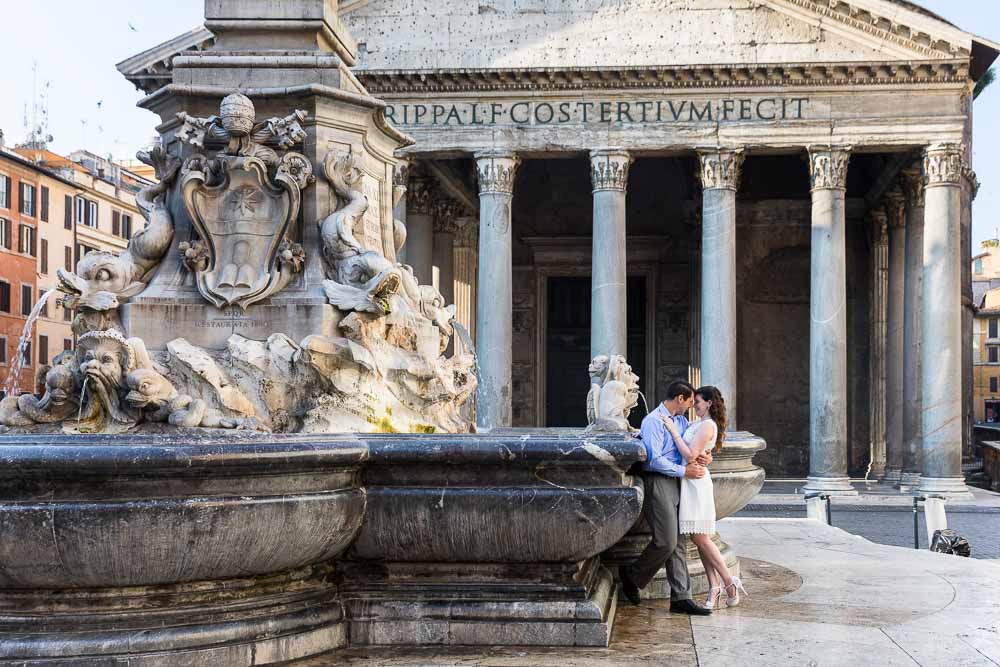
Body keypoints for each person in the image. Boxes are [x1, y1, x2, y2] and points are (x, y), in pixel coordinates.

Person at [619, 380, 712, 615]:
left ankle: (681, 597)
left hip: (679, 483)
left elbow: (690, 447)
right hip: (658, 481)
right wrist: (684, 470)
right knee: (666, 541)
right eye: (690, 401)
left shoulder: (680, 421)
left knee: (678, 541)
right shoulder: (653, 421)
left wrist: (703, 457)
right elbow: (653, 459)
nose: (691, 406)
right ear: (680, 398)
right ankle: (632, 574)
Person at [662, 385, 747, 609]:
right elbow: (693, 449)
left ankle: (729, 582)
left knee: (701, 538)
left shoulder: (708, 425)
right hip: (689, 482)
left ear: (709, 403)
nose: (694, 405)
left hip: (696, 484)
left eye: (697, 401)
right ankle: (714, 586)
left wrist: (671, 429)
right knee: (699, 538)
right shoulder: (698, 423)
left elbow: (690, 455)